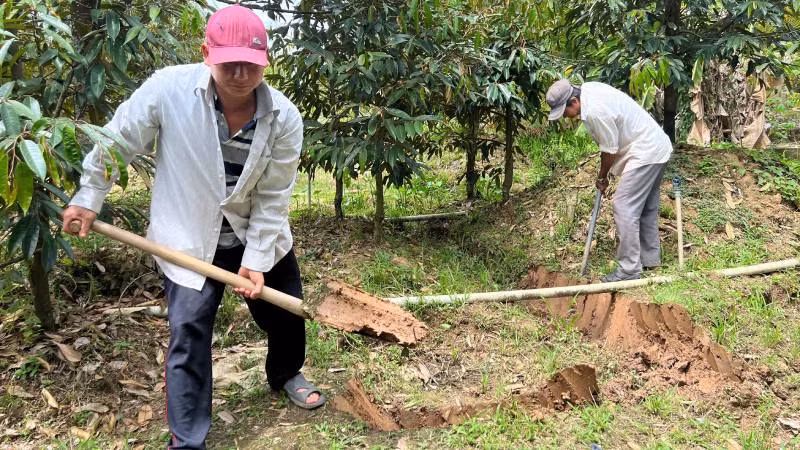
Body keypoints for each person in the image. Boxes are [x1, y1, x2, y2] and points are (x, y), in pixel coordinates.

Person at [62, 5, 325, 448]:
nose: (240, 74)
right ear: (207, 53)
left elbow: (274, 197)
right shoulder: (168, 90)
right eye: (229, 63)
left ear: (266, 62)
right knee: (189, 333)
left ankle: (285, 373)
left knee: (284, 312)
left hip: (254, 234)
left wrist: (257, 260)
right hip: (186, 238)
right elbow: (117, 142)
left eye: (251, 64)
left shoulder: (284, 117)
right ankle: (188, 438)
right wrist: (89, 198)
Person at [545, 79, 673, 282]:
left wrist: (602, 176)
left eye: (564, 111)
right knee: (646, 208)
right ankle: (649, 260)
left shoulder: (594, 111)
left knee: (623, 206)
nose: (565, 117)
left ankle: (629, 271)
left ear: (574, 101)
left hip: (645, 152)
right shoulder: (589, 89)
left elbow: (609, 149)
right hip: (657, 147)